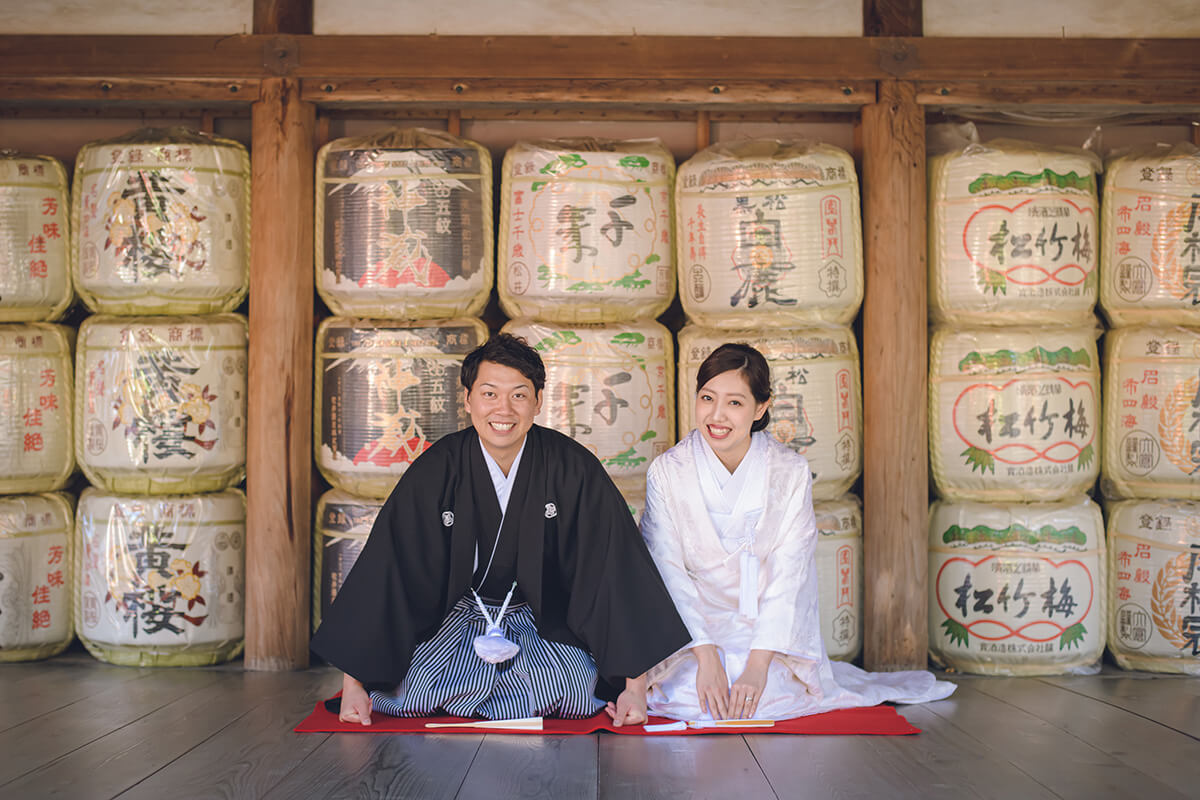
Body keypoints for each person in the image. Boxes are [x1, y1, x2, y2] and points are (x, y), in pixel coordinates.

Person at [311, 333, 690, 727]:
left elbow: (614, 568)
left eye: (519, 395)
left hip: (539, 622)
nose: (503, 410)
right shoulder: (437, 469)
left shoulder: (572, 468)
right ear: (468, 399)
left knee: (576, 688)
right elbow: (387, 568)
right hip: (457, 621)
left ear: (538, 401)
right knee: (418, 688)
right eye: (489, 394)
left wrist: (633, 687)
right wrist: (354, 686)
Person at [641, 343, 954, 721]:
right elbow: (666, 570)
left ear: (761, 407)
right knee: (693, 698)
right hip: (692, 631)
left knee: (764, 695)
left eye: (735, 403)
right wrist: (705, 656)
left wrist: (758, 666)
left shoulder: (789, 472)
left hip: (767, 632)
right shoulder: (667, 472)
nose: (717, 415)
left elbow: (791, 575)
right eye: (707, 398)